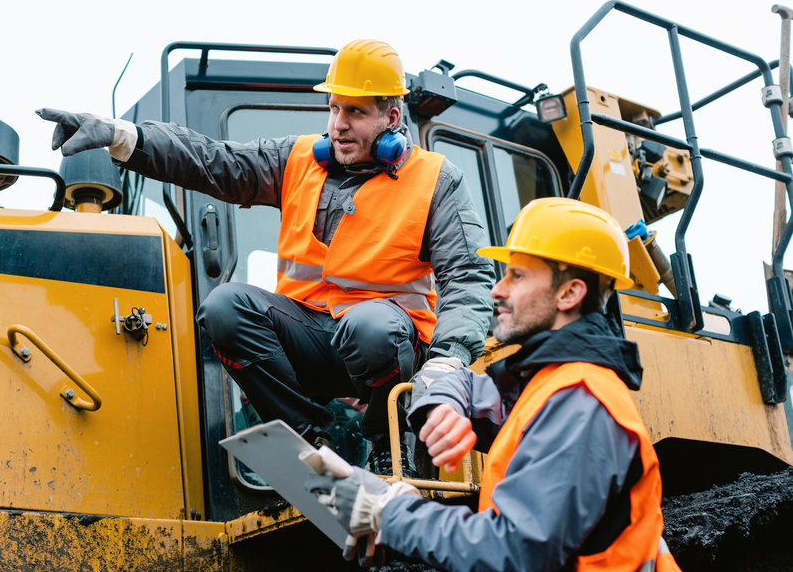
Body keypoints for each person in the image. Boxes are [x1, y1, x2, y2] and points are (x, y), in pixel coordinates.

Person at [36, 39, 495, 471]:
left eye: (355, 111)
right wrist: (123, 135)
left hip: (388, 347)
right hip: (312, 342)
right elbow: (211, 161)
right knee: (225, 307)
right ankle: (311, 445)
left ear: (392, 117)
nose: (338, 124)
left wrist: (449, 358)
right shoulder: (297, 161)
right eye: (334, 108)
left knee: (370, 327)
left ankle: (388, 450)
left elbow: (469, 276)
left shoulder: (435, 179)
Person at [305, 197, 682, 571]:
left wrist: (393, 513)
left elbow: (515, 553)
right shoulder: (550, 383)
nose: (496, 290)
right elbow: (466, 385)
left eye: (517, 276)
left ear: (570, 293)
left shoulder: (581, 402)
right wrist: (444, 405)